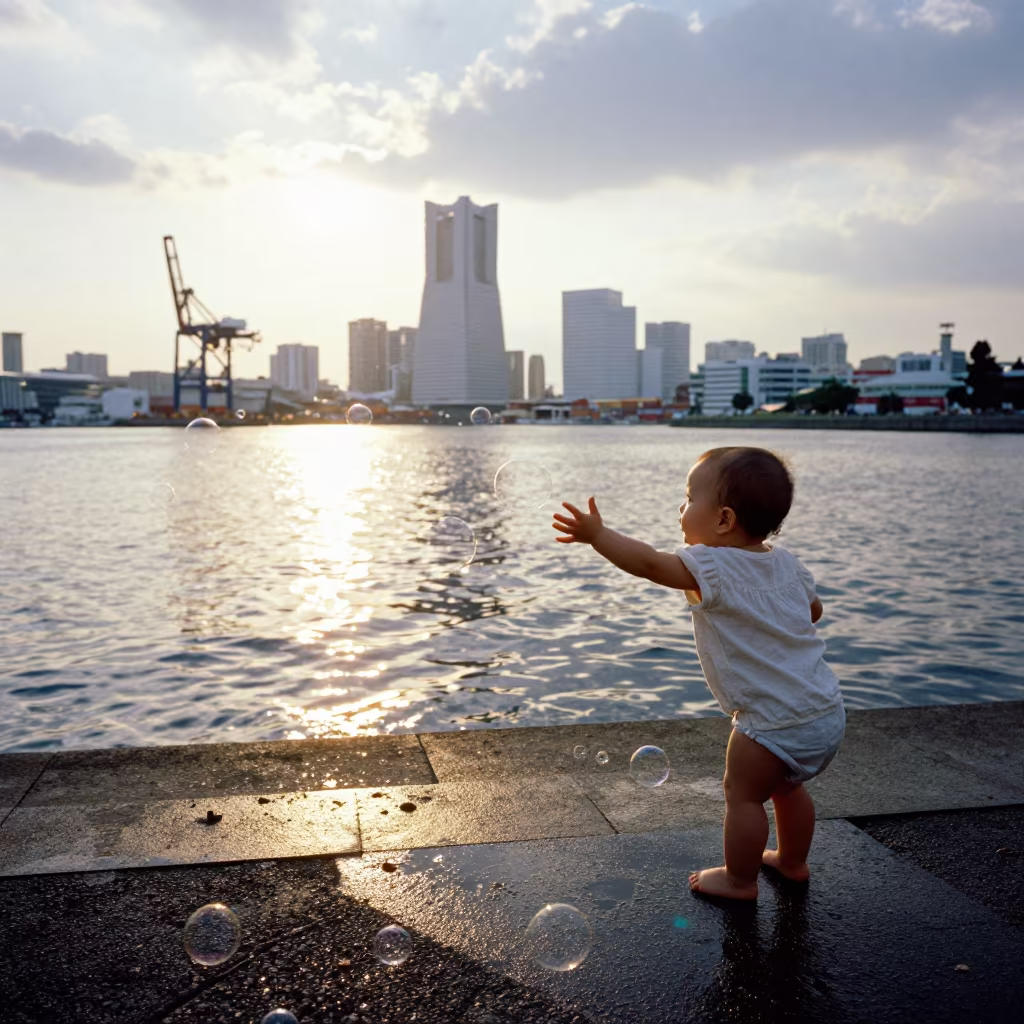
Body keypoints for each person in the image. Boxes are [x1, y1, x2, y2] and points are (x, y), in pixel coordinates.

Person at [552, 446, 845, 902]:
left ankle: (739, 880)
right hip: (825, 711)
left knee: (742, 795)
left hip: (770, 722)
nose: (681, 507)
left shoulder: (711, 564)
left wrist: (598, 535)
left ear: (724, 519)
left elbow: (650, 564)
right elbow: (814, 612)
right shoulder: (788, 562)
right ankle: (792, 861)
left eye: (689, 498)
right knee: (789, 789)